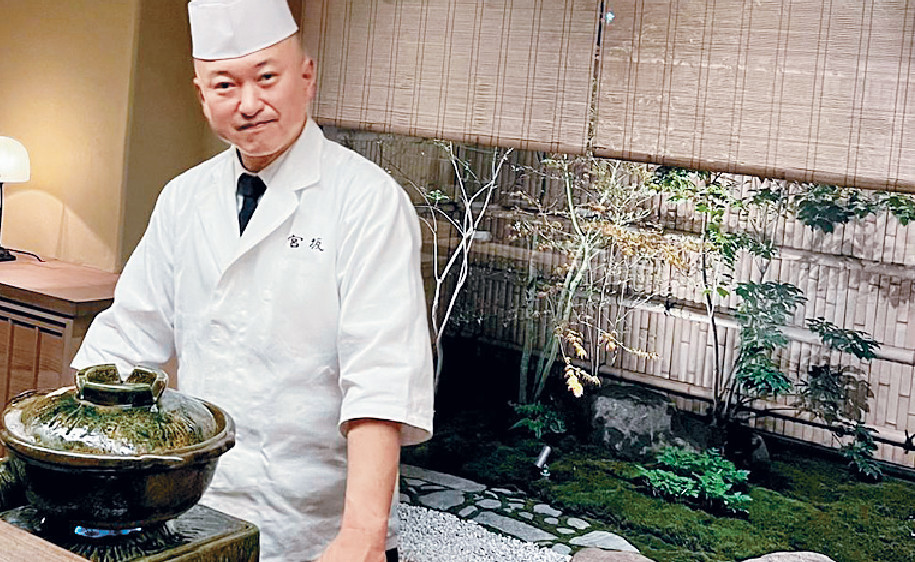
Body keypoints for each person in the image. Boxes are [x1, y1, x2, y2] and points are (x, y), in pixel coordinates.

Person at [71, 1, 434, 560]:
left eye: (268, 77)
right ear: (202, 95)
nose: (249, 103)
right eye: (225, 84)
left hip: (309, 525)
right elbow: (126, 338)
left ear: (306, 77)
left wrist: (363, 536)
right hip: (186, 508)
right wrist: (65, 445)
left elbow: (381, 377)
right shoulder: (182, 198)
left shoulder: (368, 200)